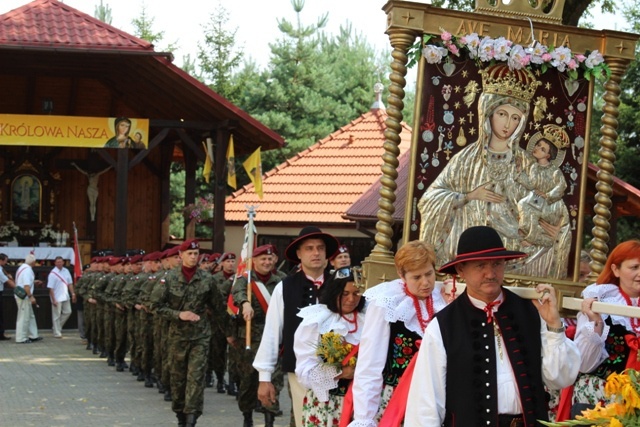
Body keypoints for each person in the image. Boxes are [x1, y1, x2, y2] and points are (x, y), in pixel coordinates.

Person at [405, 226, 580, 426]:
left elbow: (561, 378)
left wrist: (554, 325)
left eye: (497, 264)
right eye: (480, 266)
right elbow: (425, 402)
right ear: (461, 270)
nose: (490, 273)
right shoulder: (444, 326)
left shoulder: (531, 312)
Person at [417, 64, 572, 279]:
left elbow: (552, 205)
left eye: (515, 117)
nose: (508, 124)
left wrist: (559, 232)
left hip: (518, 249)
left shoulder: (528, 162)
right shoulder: (466, 159)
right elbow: (429, 200)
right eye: (502, 114)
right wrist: (469, 196)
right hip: (472, 254)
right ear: (488, 113)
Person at [347, 240, 448, 427]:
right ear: (402, 275)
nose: (426, 283)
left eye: (429, 274)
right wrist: (364, 416)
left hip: (437, 396)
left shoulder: (444, 299)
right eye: (416, 277)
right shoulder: (386, 303)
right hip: (397, 400)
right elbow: (370, 364)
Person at [253, 226, 339, 427]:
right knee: (305, 420)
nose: (316, 253)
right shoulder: (285, 286)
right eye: (309, 248)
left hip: (338, 370)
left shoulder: (341, 285)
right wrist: (265, 377)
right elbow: (273, 332)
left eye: (320, 248)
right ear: (299, 254)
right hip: (299, 370)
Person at [151, 239, 228, 427]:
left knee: (196, 378)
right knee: (177, 381)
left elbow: (219, 309)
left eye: (196, 254)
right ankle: (180, 416)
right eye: (190, 254)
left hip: (200, 337)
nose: (193, 257)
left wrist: (230, 333)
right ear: (180, 256)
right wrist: (179, 315)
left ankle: (192, 419)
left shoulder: (207, 279)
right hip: (177, 337)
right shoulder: (168, 278)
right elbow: (154, 306)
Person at [571, 240, 640, 412]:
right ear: (616, 270)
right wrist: (596, 322)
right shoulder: (599, 302)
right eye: (634, 267)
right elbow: (584, 364)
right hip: (599, 399)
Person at [294, 267, 365, 427]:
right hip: (328, 404)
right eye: (345, 293)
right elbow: (304, 370)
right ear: (334, 292)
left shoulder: (367, 320)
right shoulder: (317, 320)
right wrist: (339, 372)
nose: (351, 299)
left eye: (356, 293)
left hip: (360, 404)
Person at [232, 244, 287, 427]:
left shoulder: (281, 280)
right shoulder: (245, 280)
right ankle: (247, 417)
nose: (267, 262)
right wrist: (245, 302)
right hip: (250, 340)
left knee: (274, 381)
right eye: (262, 259)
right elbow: (237, 293)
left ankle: (269, 420)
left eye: (270, 259)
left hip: (274, 340)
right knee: (248, 383)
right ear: (254, 261)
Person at [515, 125, 571, 250]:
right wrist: (520, 172)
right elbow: (531, 185)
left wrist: (548, 195)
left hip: (551, 205)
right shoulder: (534, 167)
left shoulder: (554, 170)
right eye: (538, 145)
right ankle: (525, 232)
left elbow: (562, 185)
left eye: (543, 149)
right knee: (522, 204)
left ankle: (534, 239)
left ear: (548, 155)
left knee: (529, 208)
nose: (537, 149)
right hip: (536, 199)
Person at [14, 253, 43, 344]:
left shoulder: (22, 268)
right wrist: (31, 297)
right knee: (23, 317)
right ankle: (21, 338)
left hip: (22, 295)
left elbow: (23, 281)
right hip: (24, 296)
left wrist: (34, 282)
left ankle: (33, 335)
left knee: (30, 316)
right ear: (33, 262)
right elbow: (26, 286)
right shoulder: (28, 270)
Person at [47, 256, 76, 338]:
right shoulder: (52, 274)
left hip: (65, 296)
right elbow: (50, 288)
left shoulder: (66, 271)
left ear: (63, 262)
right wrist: (53, 299)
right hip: (56, 296)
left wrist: (73, 293)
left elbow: (70, 283)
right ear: (55, 263)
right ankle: (57, 332)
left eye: (61, 262)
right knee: (56, 315)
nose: (59, 263)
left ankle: (57, 327)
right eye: (58, 262)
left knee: (68, 312)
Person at [0, 253, 16, 340]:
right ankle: (0, 335)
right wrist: (18, 289)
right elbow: (8, 282)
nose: (6, 263)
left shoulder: (1, 268)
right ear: (1, 260)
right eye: (5, 261)